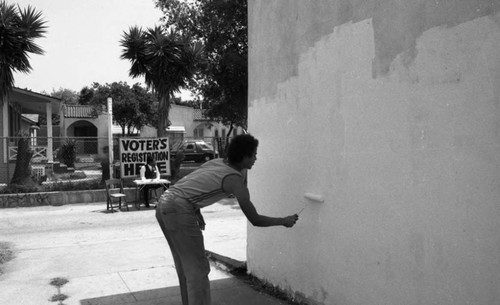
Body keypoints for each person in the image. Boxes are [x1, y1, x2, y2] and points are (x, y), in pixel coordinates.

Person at [155, 134, 299, 305]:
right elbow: (255, 219)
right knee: (198, 270)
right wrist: (283, 221)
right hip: (178, 209)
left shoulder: (216, 162)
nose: (256, 158)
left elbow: (192, 185)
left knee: (186, 267)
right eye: (253, 154)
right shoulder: (234, 181)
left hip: (165, 203)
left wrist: (195, 209)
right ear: (244, 156)